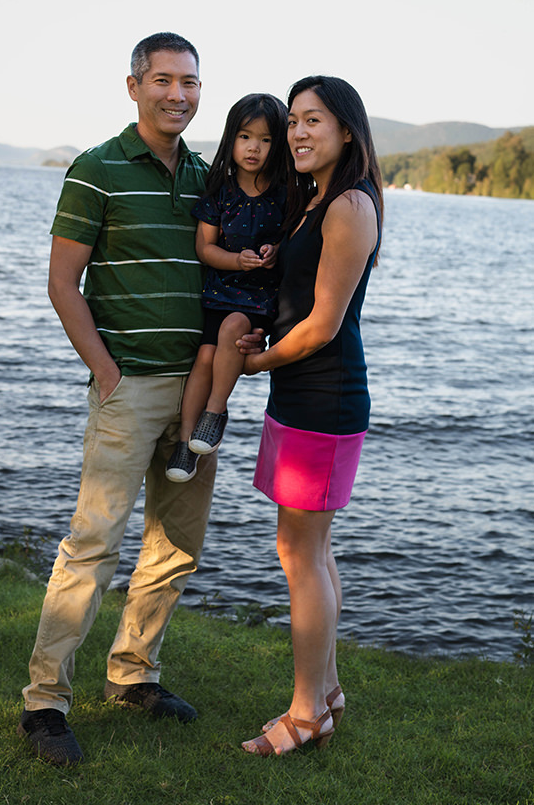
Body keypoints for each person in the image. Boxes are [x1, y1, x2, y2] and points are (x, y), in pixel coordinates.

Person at [18, 32, 218, 767]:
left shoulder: (208, 176)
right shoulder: (95, 170)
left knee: (175, 545)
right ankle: (44, 703)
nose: (178, 94)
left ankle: (134, 675)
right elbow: (62, 284)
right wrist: (104, 371)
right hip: (128, 384)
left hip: (198, 394)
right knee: (93, 544)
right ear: (132, 86)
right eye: (163, 79)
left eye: (190, 82)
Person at [237, 75, 383, 757]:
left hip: (322, 397)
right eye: (292, 120)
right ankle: (325, 692)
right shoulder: (313, 202)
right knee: (309, 550)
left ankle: (303, 715)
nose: (296, 132)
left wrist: (254, 364)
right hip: (301, 396)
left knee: (299, 553)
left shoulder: (349, 204)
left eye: (312, 121)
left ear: (346, 131)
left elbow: (323, 325)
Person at [166, 93, 289, 483]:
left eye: (266, 139)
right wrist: (236, 260)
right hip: (219, 291)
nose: (253, 148)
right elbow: (205, 248)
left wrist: (276, 250)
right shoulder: (221, 190)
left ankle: (215, 412)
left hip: (257, 299)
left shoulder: (288, 194)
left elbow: (298, 239)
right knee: (203, 359)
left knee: (235, 328)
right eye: (245, 136)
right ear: (230, 139)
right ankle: (186, 444)